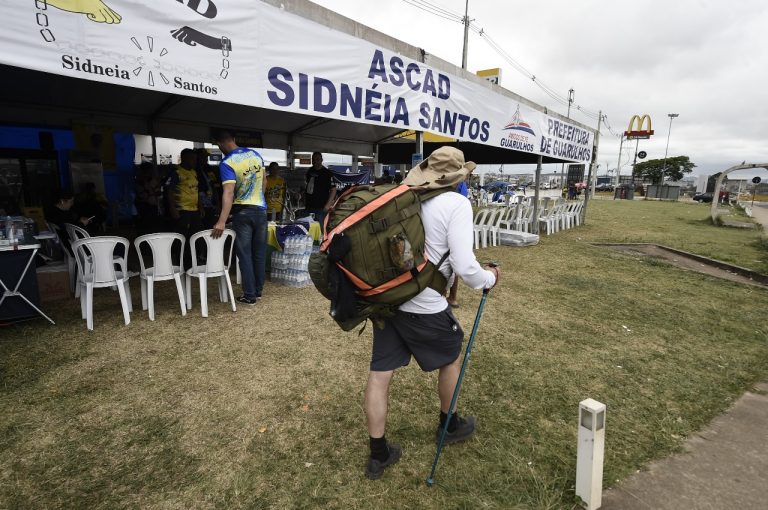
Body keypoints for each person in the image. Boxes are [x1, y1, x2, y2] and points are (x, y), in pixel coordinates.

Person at [363, 147, 500, 480]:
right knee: (451, 357)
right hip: (425, 303)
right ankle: (448, 424)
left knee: (381, 375)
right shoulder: (456, 204)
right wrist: (490, 278)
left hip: (390, 299)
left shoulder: (404, 198)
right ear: (457, 177)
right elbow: (467, 267)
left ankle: (378, 453)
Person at [211, 131, 267, 305]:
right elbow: (264, 182)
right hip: (260, 209)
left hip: (242, 213)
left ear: (219, 144)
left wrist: (221, 221)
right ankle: (258, 291)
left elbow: (228, 193)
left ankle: (249, 295)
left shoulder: (227, 163)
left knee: (245, 255)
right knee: (259, 253)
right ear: (234, 139)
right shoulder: (255, 155)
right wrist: (259, 199)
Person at [165, 148, 204, 268]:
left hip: (194, 211)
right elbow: (169, 191)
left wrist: (200, 206)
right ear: (185, 158)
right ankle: (182, 264)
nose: (195, 161)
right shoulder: (176, 172)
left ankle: (193, 262)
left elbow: (196, 191)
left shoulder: (194, 172)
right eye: (192, 159)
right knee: (182, 238)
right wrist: (173, 208)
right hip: (182, 210)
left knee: (196, 237)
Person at [446, 170, 472, 308]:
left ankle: (451, 297)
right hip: (455, 224)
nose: (470, 175)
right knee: (452, 262)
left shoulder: (459, 186)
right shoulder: (461, 186)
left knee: (450, 263)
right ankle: (452, 297)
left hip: (451, 224)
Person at [304, 152, 337, 224]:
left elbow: (333, 190)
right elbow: (305, 185)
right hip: (309, 207)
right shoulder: (309, 171)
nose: (315, 161)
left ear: (321, 160)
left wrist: (327, 206)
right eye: (313, 159)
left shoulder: (327, 173)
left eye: (317, 159)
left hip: (321, 208)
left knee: (320, 230)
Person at [134, 161, 161, 235]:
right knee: (144, 228)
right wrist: (150, 190)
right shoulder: (139, 181)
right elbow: (141, 195)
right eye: (149, 170)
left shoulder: (153, 180)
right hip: (143, 207)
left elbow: (158, 192)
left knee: (151, 227)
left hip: (152, 207)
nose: (150, 172)